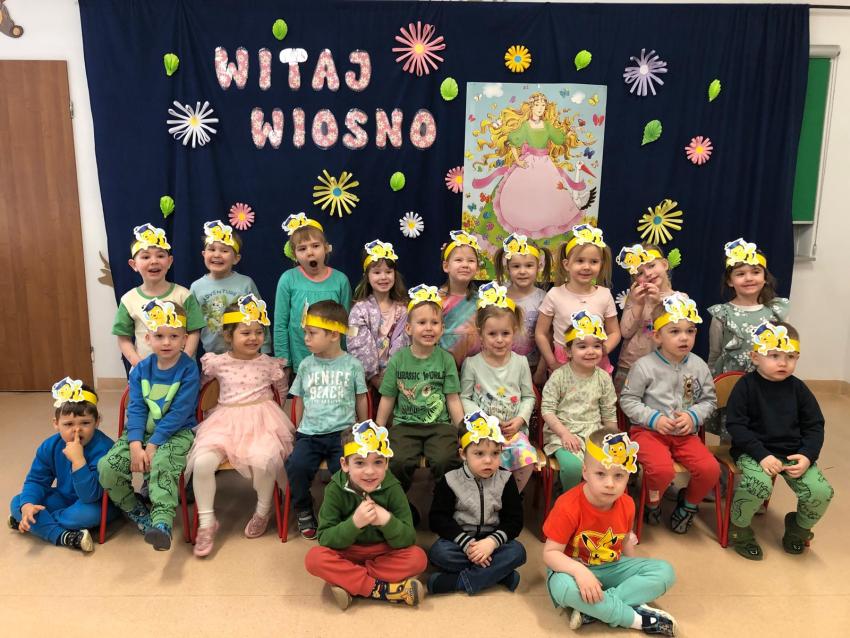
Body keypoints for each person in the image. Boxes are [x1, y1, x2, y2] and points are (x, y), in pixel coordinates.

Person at [186, 296, 295, 557]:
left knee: (265, 460)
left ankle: (262, 511)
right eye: (245, 333)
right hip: (225, 421)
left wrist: (276, 414)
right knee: (202, 462)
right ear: (228, 335)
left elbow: (282, 390)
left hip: (262, 420)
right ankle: (207, 521)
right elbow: (201, 388)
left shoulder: (269, 364)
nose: (254, 338)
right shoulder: (217, 363)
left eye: (259, 332)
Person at [543, 428, 677, 636]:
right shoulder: (567, 505)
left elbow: (625, 542)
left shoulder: (628, 504)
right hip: (571, 569)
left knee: (665, 572)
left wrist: (633, 572)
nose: (610, 483)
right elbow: (550, 554)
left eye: (619, 476)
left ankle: (594, 609)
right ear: (585, 472)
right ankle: (635, 619)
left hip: (610, 566)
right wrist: (579, 572)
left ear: (628, 476)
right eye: (600, 474)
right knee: (564, 589)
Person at [725, 321, 833, 560]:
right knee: (758, 485)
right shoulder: (746, 386)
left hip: (792, 453)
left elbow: (815, 425)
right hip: (753, 452)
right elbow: (736, 426)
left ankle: (798, 529)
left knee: (821, 491)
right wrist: (762, 455)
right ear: (755, 357)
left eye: (790, 357)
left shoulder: (799, 389)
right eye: (774, 356)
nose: (783, 363)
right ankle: (739, 528)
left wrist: (807, 456)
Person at [98, 301, 199, 550]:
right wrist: (135, 444)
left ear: (184, 339)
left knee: (163, 464)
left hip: (175, 434)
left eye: (174, 336)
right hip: (139, 433)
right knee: (107, 467)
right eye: (159, 336)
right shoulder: (141, 369)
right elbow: (136, 408)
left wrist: (153, 445)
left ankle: (162, 522)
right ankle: (137, 510)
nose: (166, 342)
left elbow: (179, 413)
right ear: (147, 338)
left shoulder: (188, 369)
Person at [620, 293, 718, 533]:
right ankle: (652, 503)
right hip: (648, 433)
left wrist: (693, 416)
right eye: (674, 331)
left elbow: (709, 401)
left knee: (710, 470)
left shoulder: (699, 366)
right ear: (657, 336)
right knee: (661, 471)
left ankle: (689, 504)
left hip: (685, 436)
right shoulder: (644, 366)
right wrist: (654, 419)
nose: (684, 337)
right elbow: (628, 400)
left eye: (690, 331)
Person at [304, 421, 427, 609]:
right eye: (360, 463)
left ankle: (350, 581)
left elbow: (408, 538)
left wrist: (386, 520)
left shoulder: (393, 488)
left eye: (378, 462)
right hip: (348, 552)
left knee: (418, 558)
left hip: (384, 551)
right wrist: (354, 523)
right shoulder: (334, 489)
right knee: (314, 559)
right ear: (345, 464)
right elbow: (325, 538)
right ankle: (385, 590)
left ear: (386, 463)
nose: (369, 472)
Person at [375, 284, 465, 509]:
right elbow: (388, 397)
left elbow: (453, 399)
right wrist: (378, 429)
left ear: (442, 329)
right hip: (405, 426)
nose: (428, 328)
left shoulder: (446, 360)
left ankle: (443, 504)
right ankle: (399, 505)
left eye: (434, 323)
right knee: (397, 461)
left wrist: (463, 431)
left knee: (446, 460)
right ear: (408, 328)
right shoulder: (398, 359)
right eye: (422, 322)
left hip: (440, 426)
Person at [285, 300, 368, 539]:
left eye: (312, 333)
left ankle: (343, 511)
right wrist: (297, 429)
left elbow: (361, 398)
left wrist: (363, 428)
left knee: (346, 473)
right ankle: (303, 508)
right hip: (310, 434)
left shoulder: (353, 365)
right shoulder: (306, 365)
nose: (306, 339)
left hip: (342, 434)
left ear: (333, 334)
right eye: (305, 333)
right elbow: (299, 399)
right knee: (296, 467)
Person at [9, 378, 117, 553]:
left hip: (95, 503)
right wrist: (28, 505)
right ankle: (63, 536)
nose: (76, 430)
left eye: (85, 423)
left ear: (97, 422)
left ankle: (37, 524)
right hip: (63, 497)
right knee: (19, 502)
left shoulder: (105, 449)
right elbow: (36, 480)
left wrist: (78, 461)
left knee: (85, 515)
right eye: (68, 424)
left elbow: (90, 496)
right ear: (56, 423)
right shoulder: (50, 446)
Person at [428, 410, 526, 595]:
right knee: (439, 553)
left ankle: (459, 582)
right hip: (461, 541)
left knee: (517, 552)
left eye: (495, 453)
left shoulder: (506, 479)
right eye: (479, 453)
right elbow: (438, 519)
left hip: (493, 541)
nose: (488, 460)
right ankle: (499, 574)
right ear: (463, 454)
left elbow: (514, 520)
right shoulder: (450, 479)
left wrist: (491, 543)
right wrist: (467, 544)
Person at [470, 92, 590, 236]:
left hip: (545, 164)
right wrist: (518, 160)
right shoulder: (526, 126)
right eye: (537, 105)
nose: (540, 108)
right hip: (529, 164)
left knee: (547, 194)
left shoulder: (547, 126)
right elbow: (513, 141)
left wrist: (568, 132)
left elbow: (559, 139)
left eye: (543, 105)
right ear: (531, 107)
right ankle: (524, 223)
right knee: (525, 195)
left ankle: (546, 224)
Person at [460, 282, 537, 491]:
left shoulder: (520, 362)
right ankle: (485, 496)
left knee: (527, 457)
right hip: (482, 432)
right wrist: (485, 420)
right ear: (481, 334)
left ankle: (510, 496)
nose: (499, 340)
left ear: (514, 332)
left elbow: (529, 396)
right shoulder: (472, 364)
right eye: (492, 334)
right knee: (483, 460)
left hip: (513, 432)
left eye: (505, 333)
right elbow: (464, 398)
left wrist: (520, 419)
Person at [541, 311, 618, 492]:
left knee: (607, 465)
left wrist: (614, 439)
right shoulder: (559, 376)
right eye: (582, 346)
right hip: (563, 434)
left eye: (597, 346)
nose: (590, 351)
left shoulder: (603, 378)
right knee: (573, 467)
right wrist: (564, 434)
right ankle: (570, 498)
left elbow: (609, 413)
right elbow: (547, 410)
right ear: (568, 351)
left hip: (594, 434)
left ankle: (593, 499)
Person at [112, 224, 204, 367]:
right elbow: (123, 337)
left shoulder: (183, 295)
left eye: (160, 256)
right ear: (134, 264)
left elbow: (194, 331)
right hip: (145, 371)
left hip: (181, 371)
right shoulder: (129, 300)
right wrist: (139, 365)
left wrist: (183, 361)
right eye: (145, 256)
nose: (154, 261)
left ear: (169, 261)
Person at [274, 213, 352, 378]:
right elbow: (280, 324)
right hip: (300, 363)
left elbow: (345, 324)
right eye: (302, 249)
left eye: (315, 246)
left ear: (326, 247)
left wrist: (346, 356)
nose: (310, 252)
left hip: (334, 363)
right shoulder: (288, 279)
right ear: (294, 254)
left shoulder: (340, 280)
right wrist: (283, 362)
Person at [536, 224, 620, 374]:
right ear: (567, 264)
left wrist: (601, 350)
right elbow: (541, 333)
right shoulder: (554, 295)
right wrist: (552, 362)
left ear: (601, 264)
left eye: (594, 262)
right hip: (563, 363)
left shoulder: (605, 295)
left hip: (596, 364)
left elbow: (614, 332)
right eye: (580, 261)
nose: (587, 267)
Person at [707, 238, 789, 376]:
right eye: (740, 274)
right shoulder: (722, 314)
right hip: (731, 381)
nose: (749, 278)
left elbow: (784, 350)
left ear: (765, 278)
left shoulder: (776, 311)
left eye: (755, 272)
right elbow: (714, 355)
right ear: (730, 281)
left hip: (766, 381)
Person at [189, 219, 270, 355]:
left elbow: (260, 316)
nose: (217, 255)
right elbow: (192, 326)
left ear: (236, 258)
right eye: (212, 249)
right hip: (213, 355)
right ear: (204, 254)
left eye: (224, 250)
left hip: (246, 354)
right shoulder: (197, 287)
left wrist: (265, 349)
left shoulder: (246, 283)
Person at [614, 244, 677, 394]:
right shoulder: (635, 298)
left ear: (664, 264)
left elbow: (674, 335)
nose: (648, 273)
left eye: (651, 265)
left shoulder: (679, 299)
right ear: (636, 279)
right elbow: (625, 332)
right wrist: (638, 304)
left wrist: (657, 303)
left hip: (662, 368)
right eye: (640, 272)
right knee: (625, 406)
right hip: (629, 366)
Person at [348, 239, 409, 391]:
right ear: (367, 276)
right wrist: (375, 378)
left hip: (398, 379)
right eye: (377, 272)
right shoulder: (359, 310)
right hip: (367, 381)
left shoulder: (403, 309)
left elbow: (404, 343)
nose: (383, 277)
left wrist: (392, 377)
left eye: (388, 272)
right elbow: (357, 344)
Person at [493, 233, 552, 385]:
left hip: (532, 366)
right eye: (516, 266)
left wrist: (541, 370)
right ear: (507, 268)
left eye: (529, 265)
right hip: (500, 365)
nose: (522, 271)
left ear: (539, 266)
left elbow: (548, 336)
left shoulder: (544, 299)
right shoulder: (498, 295)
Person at [439, 230, 482, 368]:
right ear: (446, 266)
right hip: (444, 367)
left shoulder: (482, 301)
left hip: (475, 368)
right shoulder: (436, 300)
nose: (465, 265)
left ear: (477, 267)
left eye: (471, 261)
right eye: (458, 260)